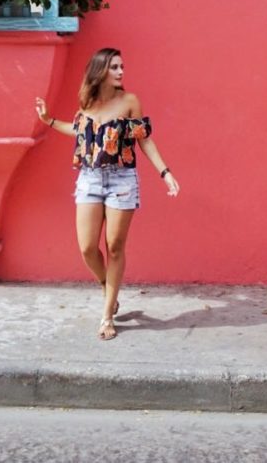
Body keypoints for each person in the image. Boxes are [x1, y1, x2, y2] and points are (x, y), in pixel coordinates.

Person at [35, 47, 179, 340]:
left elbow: (145, 141)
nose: (121, 71)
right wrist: (49, 120)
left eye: (121, 66)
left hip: (122, 181)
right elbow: (79, 130)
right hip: (89, 178)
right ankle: (106, 286)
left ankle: (106, 315)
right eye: (114, 67)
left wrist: (165, 173)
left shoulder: (129, 101)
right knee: (88, 248)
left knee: (114, 246)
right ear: (100, 70)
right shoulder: (87, 101)